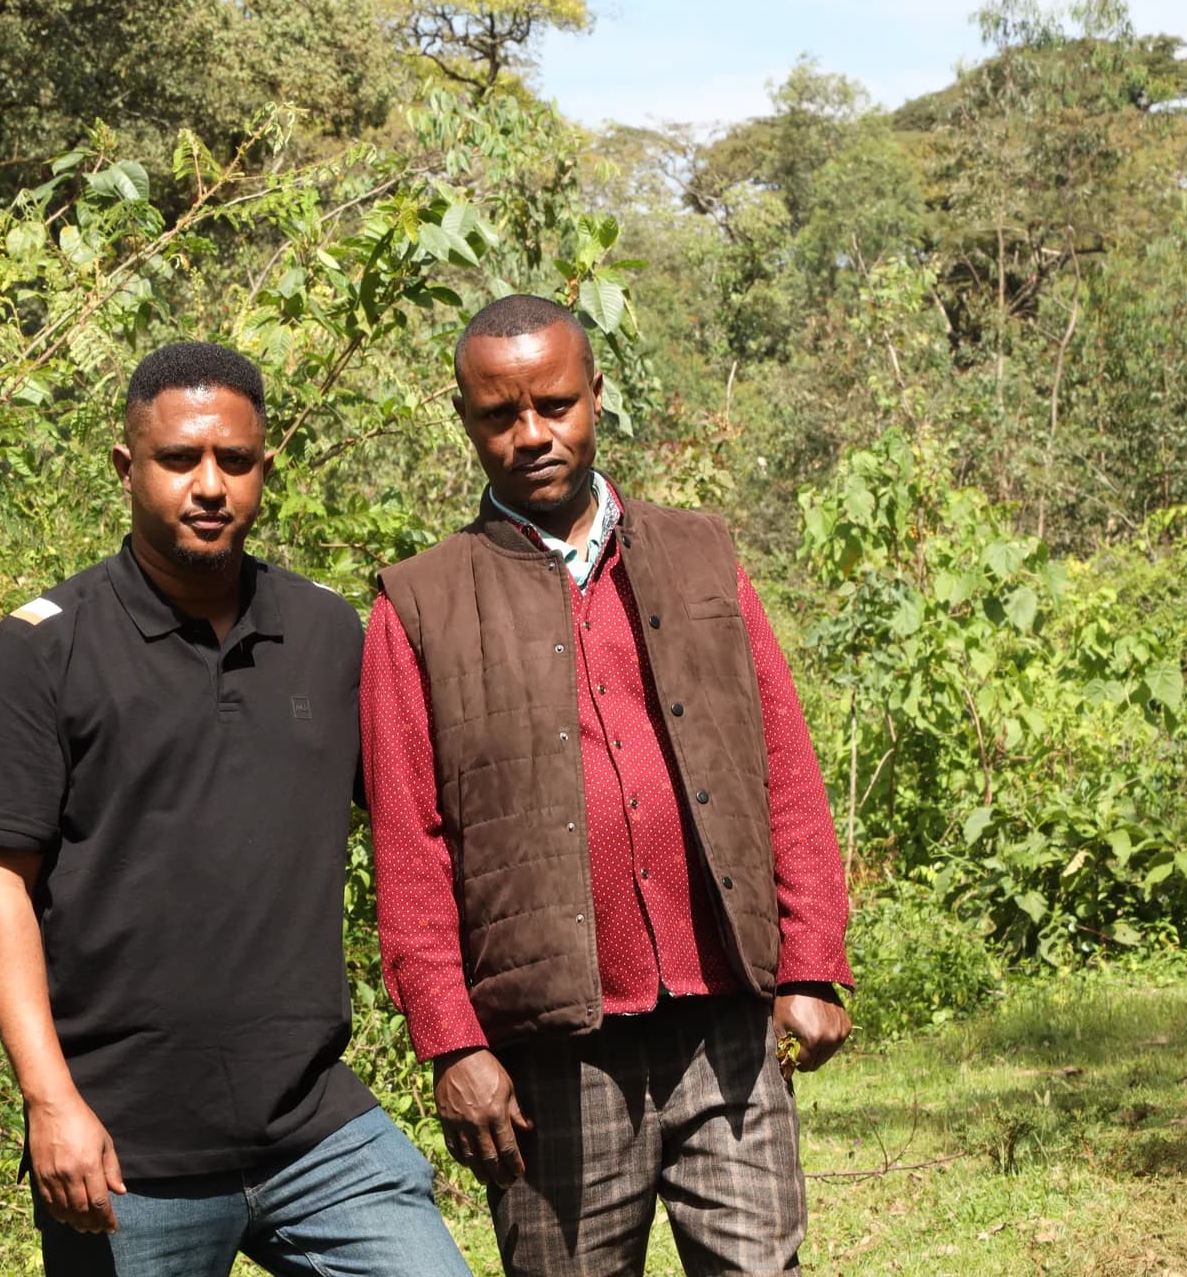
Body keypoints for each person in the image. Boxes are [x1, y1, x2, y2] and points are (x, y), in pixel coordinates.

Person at [0, 341, 471, 1277]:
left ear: (264, 469)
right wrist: (49, 1101)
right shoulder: (43, 649)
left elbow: (422, 822)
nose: (208, 486)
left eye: (234, 462)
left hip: (316, 1132)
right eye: (178, 459)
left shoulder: (324, 631)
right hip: (123, 1156)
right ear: (125, 467)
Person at [360, 296, 855, 1276]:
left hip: (724, 1020)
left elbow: (782, 765)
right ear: (465, 418)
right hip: (548, 1050)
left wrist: (808, 960)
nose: (532, 434)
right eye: (500, 415)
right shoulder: (419, 601)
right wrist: (454, 1045)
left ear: (596, 395)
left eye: (554, 403)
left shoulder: (700, 554)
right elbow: (409, 844)